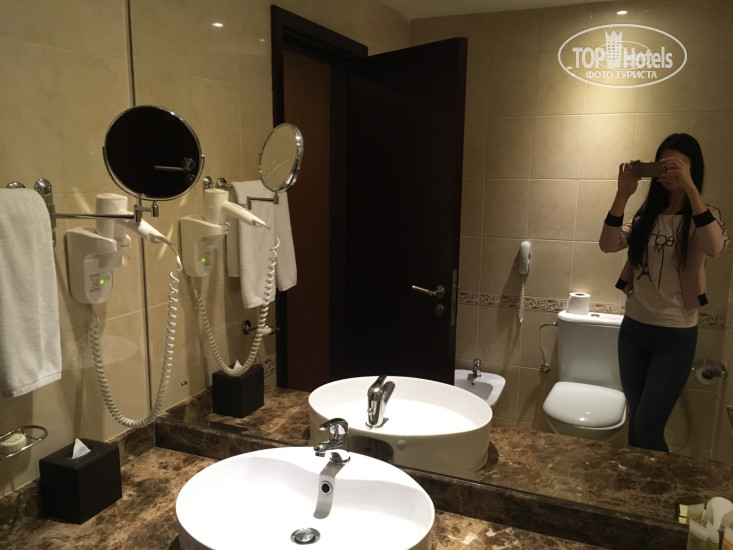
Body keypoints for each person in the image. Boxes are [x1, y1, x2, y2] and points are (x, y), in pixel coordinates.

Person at [599, 133, 728, 452]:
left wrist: (691, 190)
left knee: (648, 427)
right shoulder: (645, 217)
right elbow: (607, 244)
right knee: (636, 423)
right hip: (633, 330)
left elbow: (715, 247)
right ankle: (634, 484)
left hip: (675, 336)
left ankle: (657, 486)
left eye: (677, 167)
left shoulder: (703, 217)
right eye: (663, 165)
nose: (669, 173)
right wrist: (622, 194)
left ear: (692, 170)